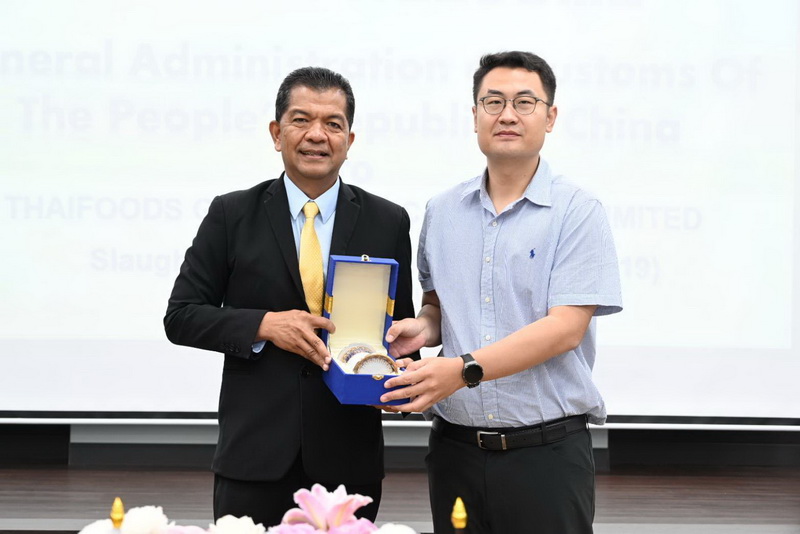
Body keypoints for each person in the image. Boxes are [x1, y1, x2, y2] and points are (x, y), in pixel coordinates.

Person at [380, 51, 623, 533]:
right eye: (493, 102)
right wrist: (423, 329)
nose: (507, 114)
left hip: (547, 456)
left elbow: (565, 329)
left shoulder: (577, 211)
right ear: (475, 116)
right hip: (455, 452)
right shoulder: (442, 211)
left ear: (550, 117)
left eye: (524, 102)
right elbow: (438, 306)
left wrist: (463, 370)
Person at [164, 66, 416, 527]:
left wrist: (398, 377)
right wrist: (264, 325)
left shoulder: (388, 220)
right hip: (254, 458)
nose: (317, 135)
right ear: (276, 133)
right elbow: (181, 316)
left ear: (349, 140)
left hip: (349, 462)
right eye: (301, 120)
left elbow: (401, 332)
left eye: (333, 124)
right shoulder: (231, 214)